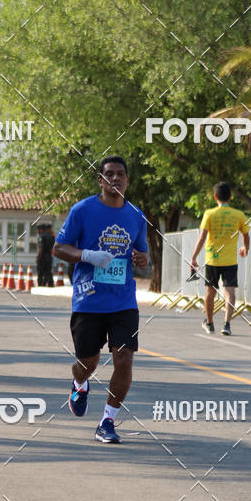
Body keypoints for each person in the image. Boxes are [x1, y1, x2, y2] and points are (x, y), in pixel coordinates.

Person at [53, 156, 148, 444]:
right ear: (100, 180)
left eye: (121, 174)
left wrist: (142, 258)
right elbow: (59, 248)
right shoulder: (83, 210)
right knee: (88, 362)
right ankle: (79, 383)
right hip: (89, 300)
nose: (115, 179)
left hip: (124, 301)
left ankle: (107, 421)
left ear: (128, 180)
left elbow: (141, 257)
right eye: (109, 174)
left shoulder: (136, 215)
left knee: (124, 358)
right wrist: (87, 255)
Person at [189, 181, 250, 336]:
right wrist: (245, 248)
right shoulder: (239, 215)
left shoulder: (209, 214)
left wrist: (194, 257)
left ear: (215, 196)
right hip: (230, 260)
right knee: (229, 292)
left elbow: (202, 237)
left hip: (212, 259)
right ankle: (227, 324)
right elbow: (245, 235)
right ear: (230, 197)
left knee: (210, 291)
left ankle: (209, 323)